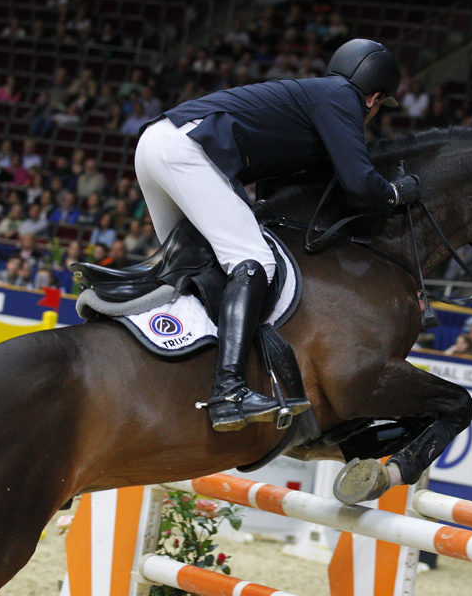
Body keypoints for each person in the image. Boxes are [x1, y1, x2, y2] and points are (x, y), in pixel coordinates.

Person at [132, 39, 418, 432]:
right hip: (186, 151)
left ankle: (169, 364)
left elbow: (275, 186)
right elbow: (360, 182)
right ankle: (229, 390)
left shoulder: (313, 98)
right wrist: (398, 192)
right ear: (373, 97)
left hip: (157, 143)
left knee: (194, 269)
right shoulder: (341, 97)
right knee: (254, 263)